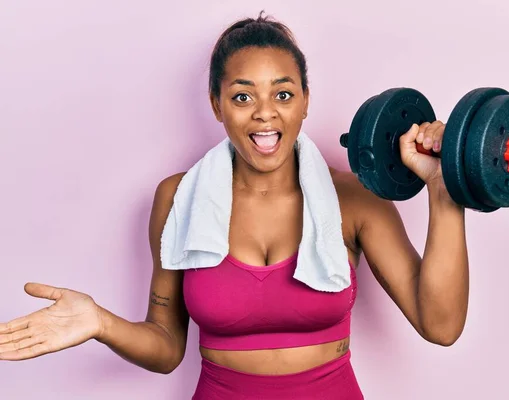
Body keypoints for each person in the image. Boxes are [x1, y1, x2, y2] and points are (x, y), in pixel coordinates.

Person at [0, 12, 469, 399]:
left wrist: (445, 192)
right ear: (216, 104)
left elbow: (441, 325)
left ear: (306, 101)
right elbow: (165, 348)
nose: (265, 112)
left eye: (283, 94)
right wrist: (99, 321)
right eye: (243, 96)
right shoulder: (178, 198)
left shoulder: (354, 199)